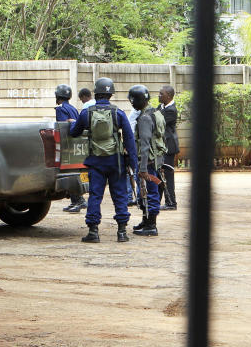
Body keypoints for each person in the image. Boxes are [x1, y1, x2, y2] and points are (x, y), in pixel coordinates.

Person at [68, 77, 138, 243]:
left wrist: (71, 123)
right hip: (117, 162)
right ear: (110, 95)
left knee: (95, 196)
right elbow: (129, 139)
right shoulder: (118, 113)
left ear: (96, 93)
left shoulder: (86, 113)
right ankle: (122, 232)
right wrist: (134, 164)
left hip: (95, 161)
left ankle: (93, 232)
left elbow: (74, 132)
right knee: (120, 195)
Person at [127, 85, 165, 236]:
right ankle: (146, 220)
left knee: (149, 192)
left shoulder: (144, 118)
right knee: (147, 191)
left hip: (147, 162)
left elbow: (144, 145)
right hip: (155, 159)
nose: (132, 103)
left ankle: (151, 225)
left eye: (133, 100)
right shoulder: (156, 113)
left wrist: (142, 167)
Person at [55, 84, 87, 213]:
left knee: (68, 173)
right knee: (74, 171)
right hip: (76, 144)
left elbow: (63, 127)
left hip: (66, 145)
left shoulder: (60, 109)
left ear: (58, 97)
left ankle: (79, 200)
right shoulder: (73, 108)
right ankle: (75, 201)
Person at [158, 85, 179, 210]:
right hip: (162, 146)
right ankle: (160, 201)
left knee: (167, 175)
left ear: (169, 96)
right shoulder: (162, 107)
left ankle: (171, 202)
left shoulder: (171, 110)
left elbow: (157, 121)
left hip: (168, 147)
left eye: (161, 94)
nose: (159, 96)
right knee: (161, 174)